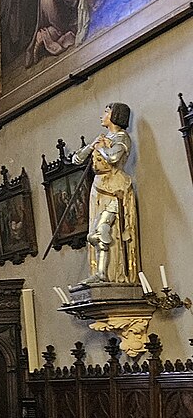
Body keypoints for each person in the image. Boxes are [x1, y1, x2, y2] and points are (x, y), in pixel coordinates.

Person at [72, 102, 139, 285]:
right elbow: (76, 159)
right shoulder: (103, 137)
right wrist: (92, 145)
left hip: (114, 187)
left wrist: (101, 147)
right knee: (93, 234)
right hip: (98, 187)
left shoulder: (122, 137)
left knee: (102, 232)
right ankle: (100, 273)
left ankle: (108, 274)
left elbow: (114, 157)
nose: (102, 115)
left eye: (106, 111)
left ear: (115, 115)